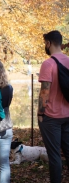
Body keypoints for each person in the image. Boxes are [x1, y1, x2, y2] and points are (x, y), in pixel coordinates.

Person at [37, 30, 69, 183]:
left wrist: (40, 113)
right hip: (68, 115)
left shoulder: (48, 63)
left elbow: (45, 91)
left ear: (49, 43)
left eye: (45, 43)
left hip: (51, 117)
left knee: (54, 155)